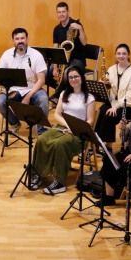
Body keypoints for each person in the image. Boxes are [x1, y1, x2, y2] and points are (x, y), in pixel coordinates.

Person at [32, 66, 95, 195]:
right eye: (71, 77)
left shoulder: (89, 97)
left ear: (82, 78)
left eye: (76, 76)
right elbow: (57, 114)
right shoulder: (64, 93)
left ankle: (59, 182)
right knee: (42, 139)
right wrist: (67, 126)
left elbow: (90, 121)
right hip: (63, 127)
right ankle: (39, 174)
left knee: (60, 144)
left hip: (80, 132)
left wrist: (73, 128)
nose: (73, 79)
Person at [0, 28, 48, 135]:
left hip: (32, 89)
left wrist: (28, 97)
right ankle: (14, 123)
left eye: (22, 38)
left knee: (44, 99)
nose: (20, 41)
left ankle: (42, 131)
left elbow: (41, 80)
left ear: (27, 39)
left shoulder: (36, 55)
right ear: (13, 40)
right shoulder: (6, 54)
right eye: (17, 39)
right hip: (13, 90)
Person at [95, 44, 131, 152]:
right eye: (118, 53)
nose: (121, 56)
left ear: (128, 55)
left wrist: (116, 107)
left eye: (124, 53)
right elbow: (109, 88)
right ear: (115, 55)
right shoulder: (111, 69)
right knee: (98, 113)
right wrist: (102, 84)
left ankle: (108, 148)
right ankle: (96, 144)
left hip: (128, 106)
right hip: (113, 103)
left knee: (109, 116)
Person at [51, 2, 88, 81]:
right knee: (45, 72)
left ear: (68, 12)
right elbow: (56, 50)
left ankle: (62, 90)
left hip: (77, 60)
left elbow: (84, 43)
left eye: (63, 12)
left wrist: (80, 29)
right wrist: (55, 67)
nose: (61, 14)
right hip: (63, 61)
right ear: (56, 13)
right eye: (59, 12)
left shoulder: (76, 25)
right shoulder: (56, 29)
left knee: (66, 73)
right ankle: (59, 88)